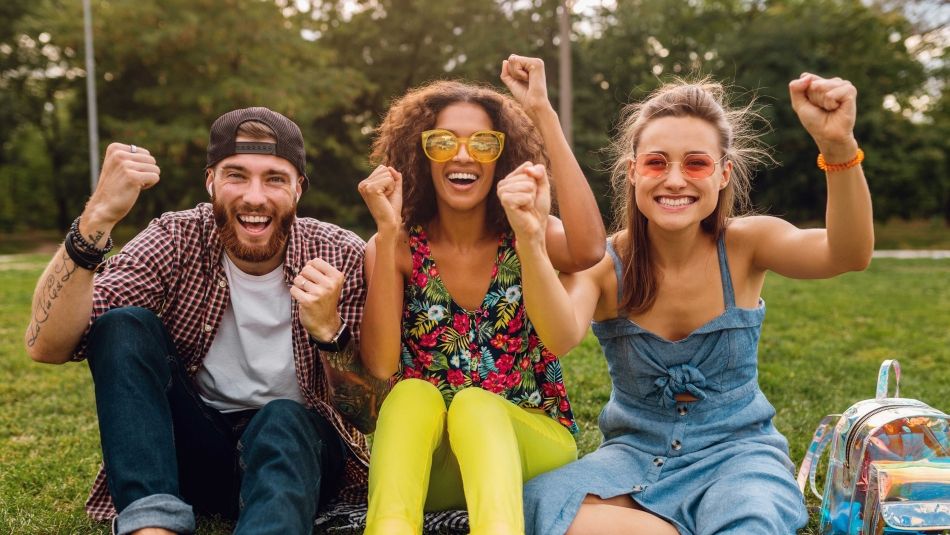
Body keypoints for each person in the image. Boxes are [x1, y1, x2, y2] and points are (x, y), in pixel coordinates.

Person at [516, 72, 873, 535]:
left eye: (697, 164)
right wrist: (530, 238)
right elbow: (560, 335)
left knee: (751, 520)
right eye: (656, 163)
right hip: (632, 459)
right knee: (538, 503)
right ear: (632, 170)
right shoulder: (605, 264)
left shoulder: (747, 245)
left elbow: (848, 254)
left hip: (738, 458)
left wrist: (838, 145)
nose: (675, 180)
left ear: (724, 173)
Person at [24, 107, 388, 535]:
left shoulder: (339, 253)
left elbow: (370, 417)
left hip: (299, 455)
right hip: (197, 452)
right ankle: (151, 526)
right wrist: (97, 218)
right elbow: (46, 346)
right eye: (236, 175)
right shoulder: (177, 238)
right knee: (123, 325)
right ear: (210, 182)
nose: (255, 196)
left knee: (282, 418)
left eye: (274, 178)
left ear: (298, 190)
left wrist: (330, 332)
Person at [356, 54, 607, 534]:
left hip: (529, 444)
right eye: (444, 142)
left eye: (484, 144)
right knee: (409, 393)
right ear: (420, 153)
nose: (464, 156)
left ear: (504, 156)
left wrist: (543, 114)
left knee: (475, 404)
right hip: (433, 467)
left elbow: (590, 247)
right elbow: (382, 365)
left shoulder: (525, 230)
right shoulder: (398, 245)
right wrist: (387, 236)